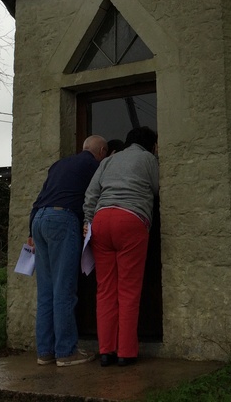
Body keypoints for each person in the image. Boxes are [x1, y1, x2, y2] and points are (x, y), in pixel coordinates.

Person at [83, 126, 159, 367]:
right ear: (152, 145)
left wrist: (88, 221)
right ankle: (126, 352)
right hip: (131, 220)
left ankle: (106, 351)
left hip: (102, 220)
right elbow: (159, 189)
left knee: (105, 289)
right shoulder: (148, 159)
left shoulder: (110, 160)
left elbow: (91, 194)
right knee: (128, 289)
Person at [29, 135, 108, 367]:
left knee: (46, 291)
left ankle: (45, 352)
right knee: (64, 289)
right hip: (62, 219)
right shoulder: (95, 165)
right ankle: (66, 352)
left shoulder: (59, 164)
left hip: (39, 220)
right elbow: (98, 194)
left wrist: (30, 231)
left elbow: (39, 198)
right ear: (102, 150)